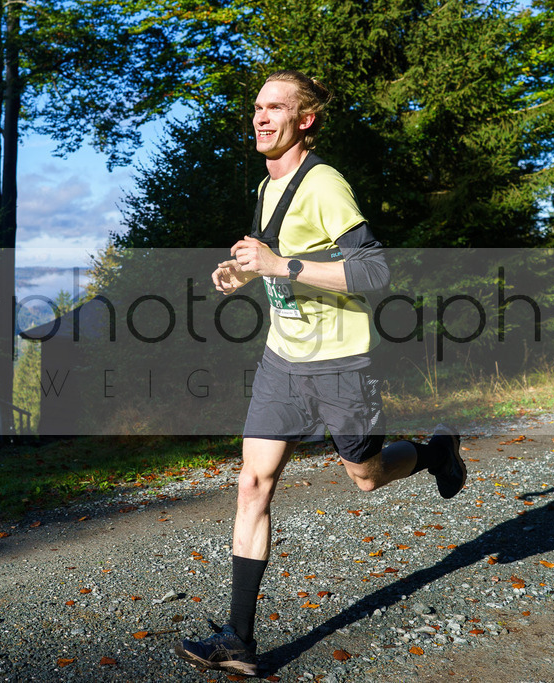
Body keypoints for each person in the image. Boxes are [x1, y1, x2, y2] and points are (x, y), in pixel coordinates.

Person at [174, 70, 466, 677]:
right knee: (253, 484)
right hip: (283, 358)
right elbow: (274, 259)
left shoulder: (324, 183)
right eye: (256, 107)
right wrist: (246, 272)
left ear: (304, 120)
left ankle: (436, 452)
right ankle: (239, 640)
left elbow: (373, 272)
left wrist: (280, 263)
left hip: (339, 361)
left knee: (366, 475)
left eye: (274, 108)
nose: (259, 117)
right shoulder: (265, 186)